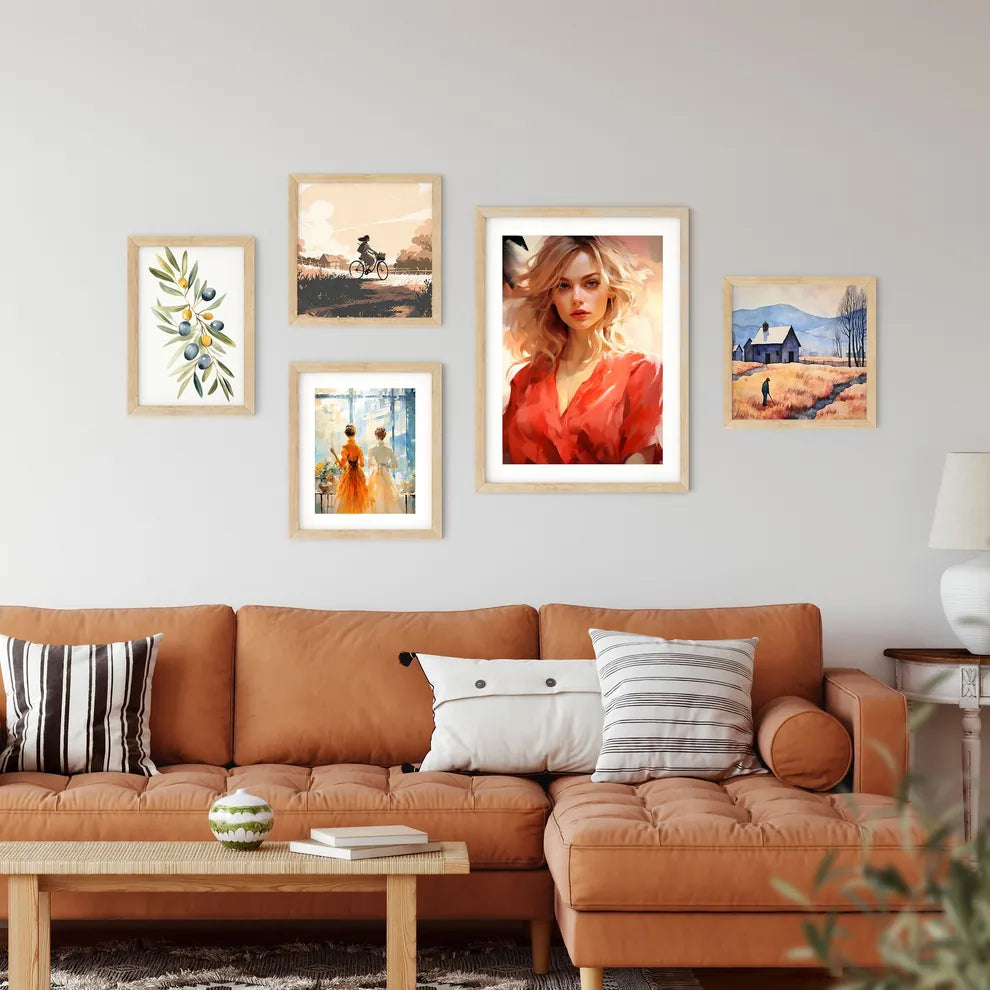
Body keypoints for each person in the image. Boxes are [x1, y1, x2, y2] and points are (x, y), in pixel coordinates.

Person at [501, 235, 662, 465]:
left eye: (590, 283)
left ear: (611, 290)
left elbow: (637, 481)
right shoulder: (525, 380)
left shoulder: (643, 372)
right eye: (563, 286)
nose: (577, 298)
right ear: (552, 296)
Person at [332, 425, 368, 514]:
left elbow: (341, 465)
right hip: (358, 474)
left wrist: (334, 454)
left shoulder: (345, 447)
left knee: (347, 497)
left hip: (349, 474)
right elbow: (362, 464)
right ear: (354, 434)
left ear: (346, 435)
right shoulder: (359, 447)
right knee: (358, 498)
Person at [366, 427, 401, 514]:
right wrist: (386, 466)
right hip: (385, 473)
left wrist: (376, 464)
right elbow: (395, 465)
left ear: (376, 436)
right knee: (387, 496)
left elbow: (368, 464)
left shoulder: (372, 449)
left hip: (376, 473)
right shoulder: (388, 449)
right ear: (384, 436)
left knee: (376, 495)